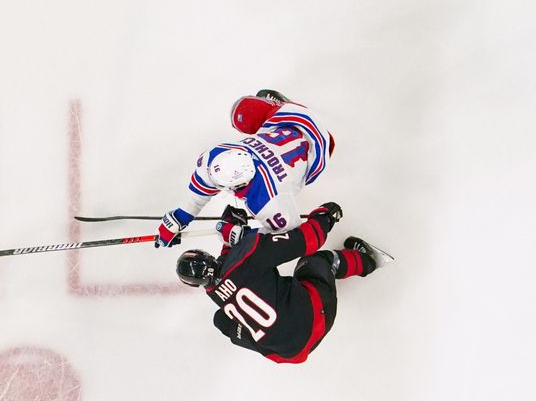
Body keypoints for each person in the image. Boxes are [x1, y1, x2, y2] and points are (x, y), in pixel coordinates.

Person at [175, 203, 392, 364]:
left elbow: (230, 267)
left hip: (290, 354)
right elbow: (307, 240)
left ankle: (282, 331)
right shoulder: (249, 256)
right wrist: (325, 217)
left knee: (222, 320)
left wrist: (231, 234)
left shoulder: (214, 292)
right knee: (314, 262)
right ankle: (369, 260)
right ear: (208, 257)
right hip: (315, 320)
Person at [155, 89, 335, 247]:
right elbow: (203, 182)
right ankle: (276, 106)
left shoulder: (270, 200)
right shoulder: (215, 156)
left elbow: (291, 240)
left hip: (319, 145)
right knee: (239, 113)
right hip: (289, 118)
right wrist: (180, 217)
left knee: (245, 113)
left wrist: (242, 236)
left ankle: (282, 105)